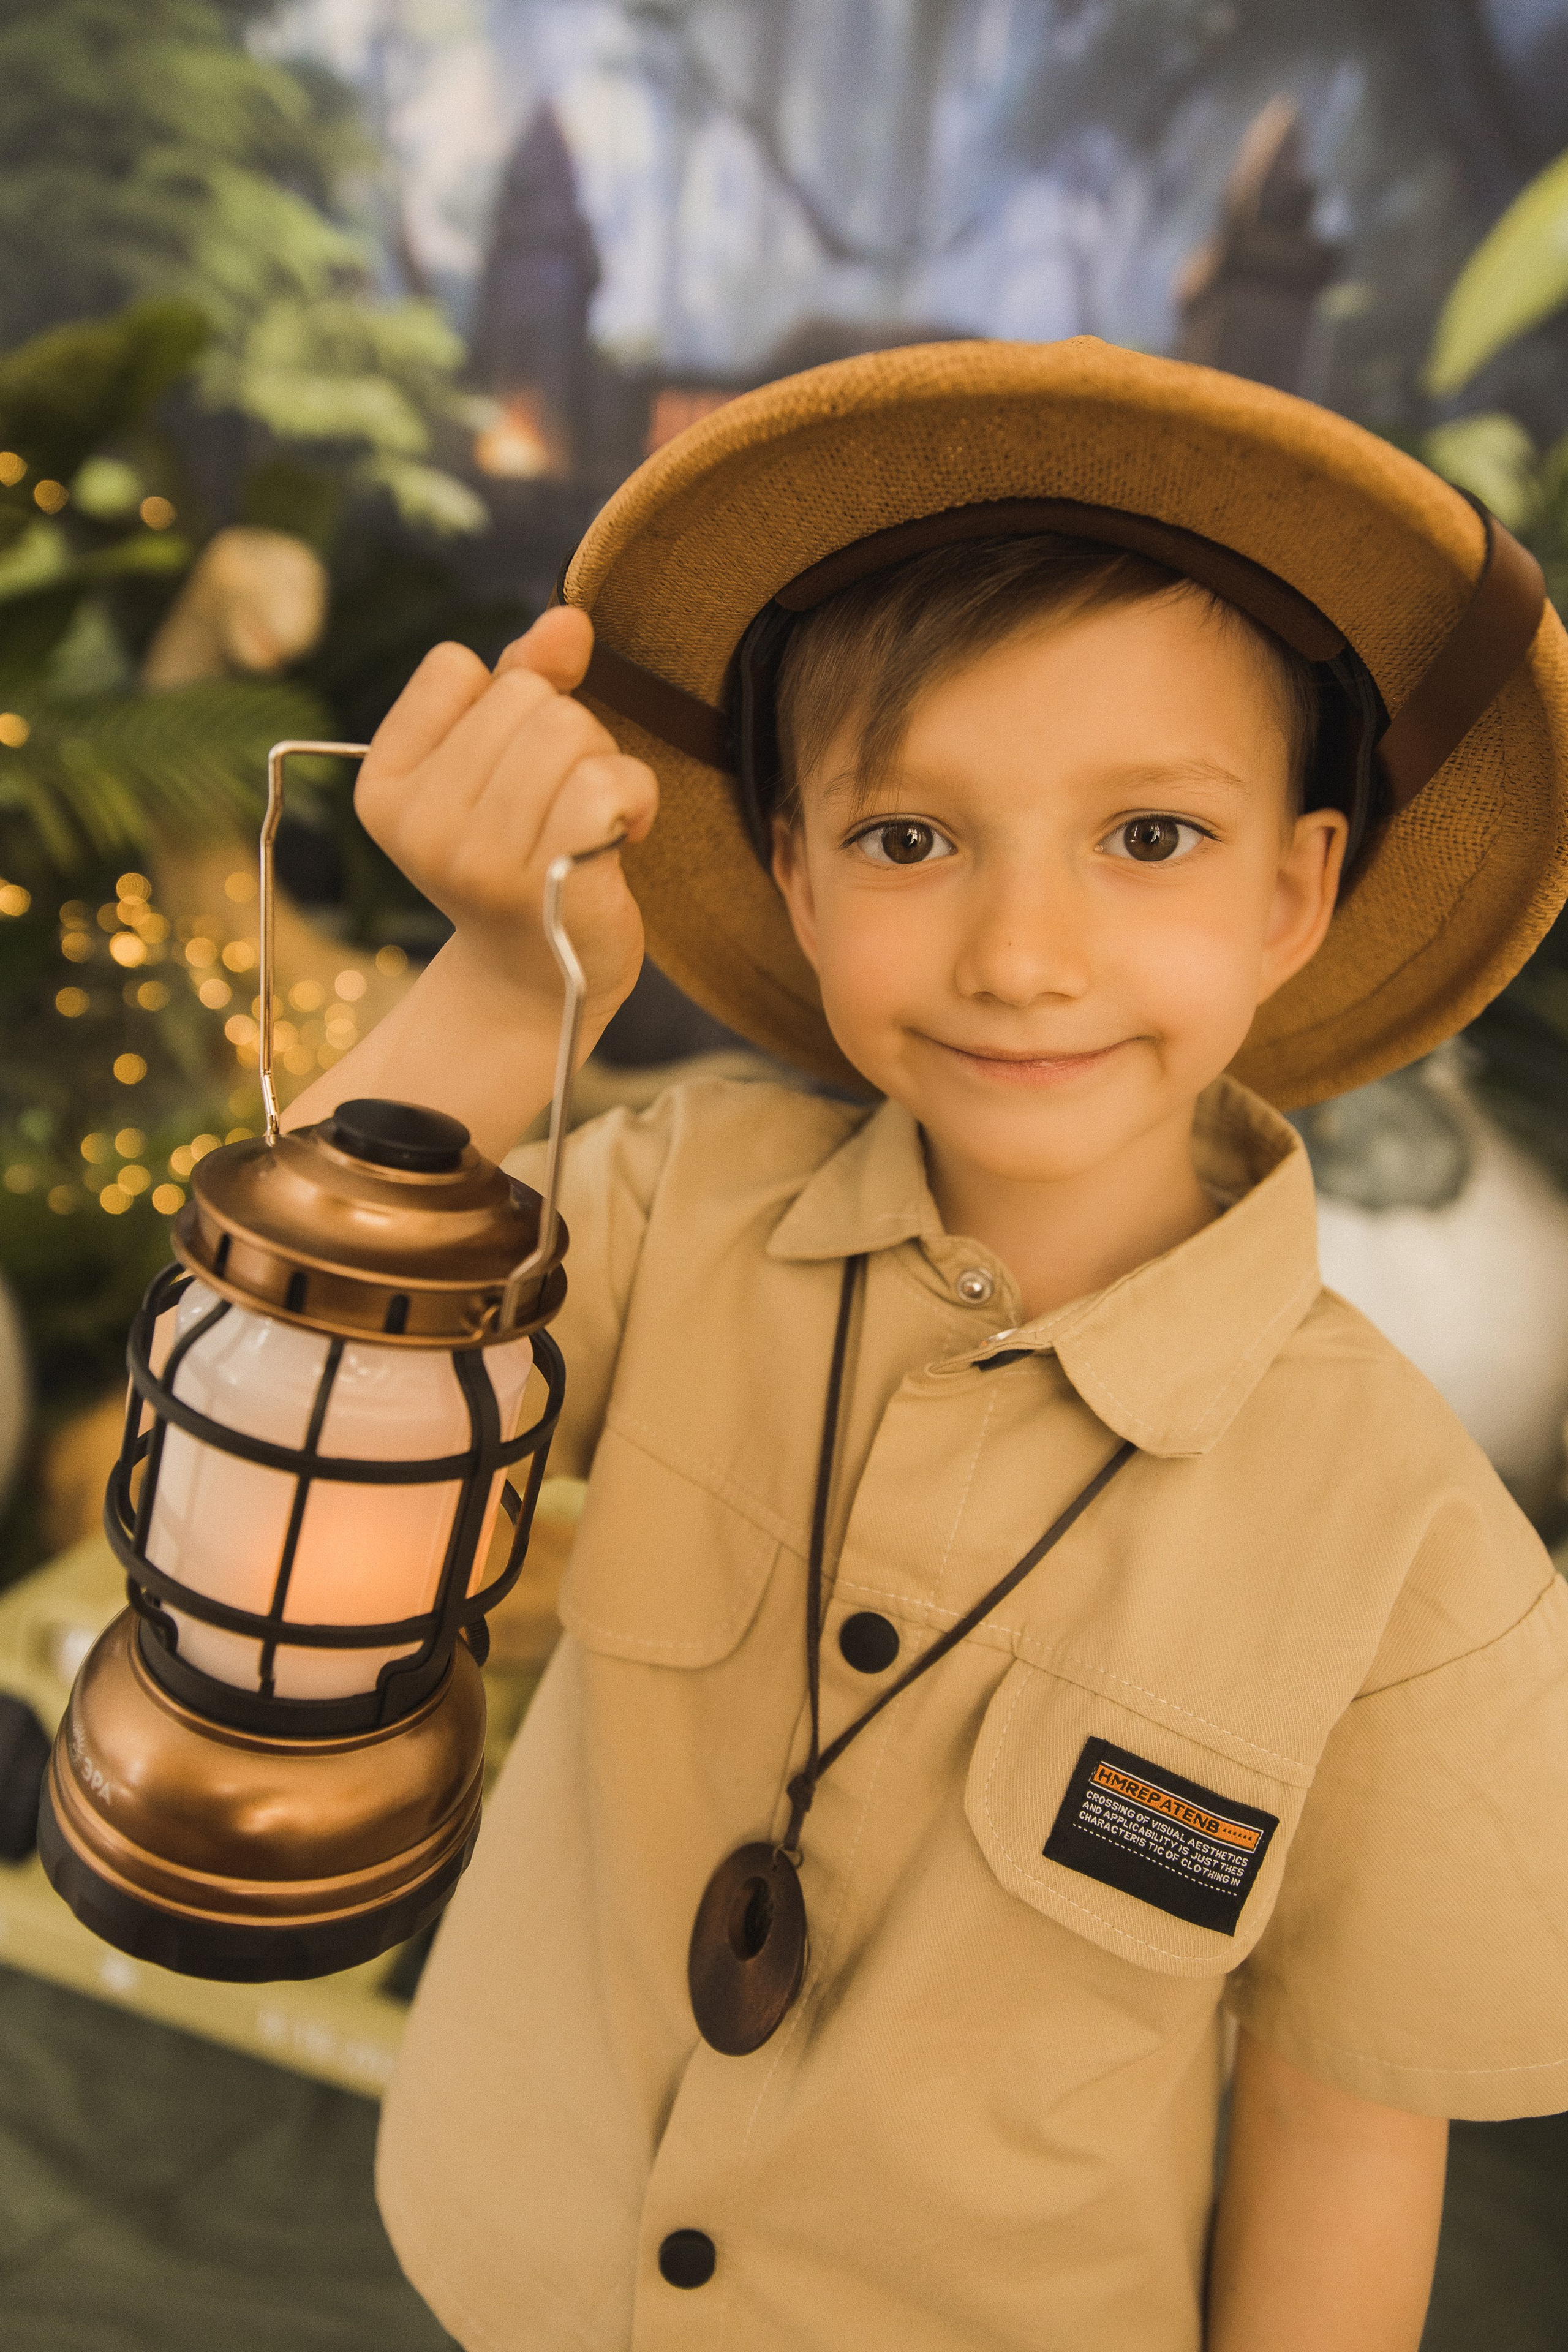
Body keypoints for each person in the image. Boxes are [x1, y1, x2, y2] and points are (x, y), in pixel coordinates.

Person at [285, 339, 1568, 2351]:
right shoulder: (665, 1205)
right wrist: (498, 982)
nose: (1021, 953)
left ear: (1298, 891)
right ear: (792, 868)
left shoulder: (1422, 1567)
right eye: (909, 838)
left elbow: (1345, 2152)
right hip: (507, 2269)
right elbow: (282, 1402)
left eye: (1151, 837)